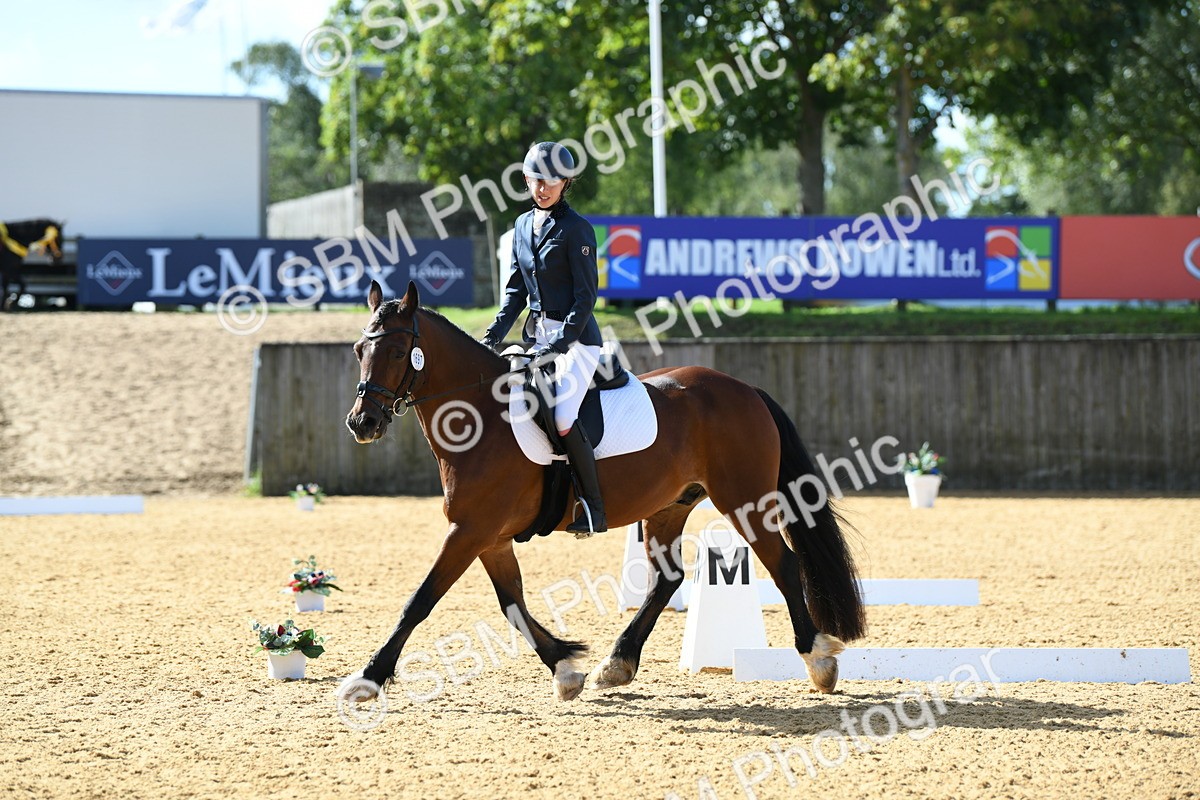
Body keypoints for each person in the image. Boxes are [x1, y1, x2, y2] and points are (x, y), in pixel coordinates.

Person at [481, 141, 607, 534]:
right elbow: (516, 292)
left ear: (565, 183)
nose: (543, 188)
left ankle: (593, 509)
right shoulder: (521, 226)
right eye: (537, 180)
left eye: (552, 181)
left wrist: (559, 343)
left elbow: (586, 298)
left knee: (563, 417)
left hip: (577, 341)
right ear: (526, 179)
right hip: (537, 339)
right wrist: (492, 336)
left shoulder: (577, 229)